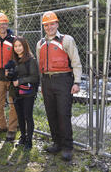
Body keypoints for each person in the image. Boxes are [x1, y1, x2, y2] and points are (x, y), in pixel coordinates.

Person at [36, 11, 82, 161]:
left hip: (63, 81)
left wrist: (77, 82)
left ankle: (67, 147)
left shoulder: (66, 40)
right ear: (44, 26)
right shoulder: (40, 43)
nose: (49, 27)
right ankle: (57, 143)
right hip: (47, 81)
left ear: (57, 24)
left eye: (52, 24)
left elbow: (75, 61)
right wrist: (41, 84)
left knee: (63, 114)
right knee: (51, 114)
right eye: (46, 25)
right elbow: (39, 65)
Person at [0, 12, 18, 141]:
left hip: (12, 78)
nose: (2, 26)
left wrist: (14, 71)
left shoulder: (15, 39)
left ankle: (12, 129)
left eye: (4, 23)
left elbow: (21, 57)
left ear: (7, 24)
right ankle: (2, 126)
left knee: (13, 104)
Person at [8, 37, 39, 150]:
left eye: (20, 46)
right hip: (16, 93)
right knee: (20, 116)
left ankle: (29, 141)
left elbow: (34, 77)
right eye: (15, 46)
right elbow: (12, 76)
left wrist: (20, 81)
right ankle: (23, 137)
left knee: (27, 116)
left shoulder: (31, 60)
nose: (17, 48)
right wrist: (9, 74)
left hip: (27, 93)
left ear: (25, 46)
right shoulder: (13, 60)